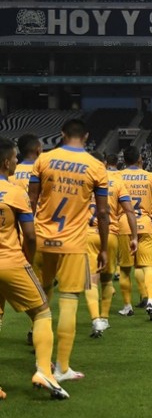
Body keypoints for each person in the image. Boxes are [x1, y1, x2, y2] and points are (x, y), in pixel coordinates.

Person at [28, 118, 109, 383]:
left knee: (42, 305)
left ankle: (42, 362)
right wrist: (104, 249)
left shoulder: (44, 160)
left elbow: (31, 202)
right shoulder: (96, 167)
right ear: (86, 136)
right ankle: (62, 368)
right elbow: (104, 213)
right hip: (73, 244)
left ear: (62, 134)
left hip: (41, 239)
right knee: (69, 301)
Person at [0, 137, 69, 400]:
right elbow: (29, 235)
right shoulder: (15, 192)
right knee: (41, 312)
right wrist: (27, 259)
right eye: (14, 157)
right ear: (7, 162)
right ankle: (43, 371)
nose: (17, 161)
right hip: (10, 262)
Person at [86, 153, 138, 336]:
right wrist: (133, 237)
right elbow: (129, 211)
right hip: (110, 235)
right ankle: (105, 318)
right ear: (105, 163)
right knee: (107, 279)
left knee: (92, 280)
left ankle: (95, 319)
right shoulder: (116, 182)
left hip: (86, 235)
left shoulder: (81, 182)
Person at [119, 146, 152, 322]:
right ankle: (151, 301)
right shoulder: (150, 177)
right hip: (146, 224)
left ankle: (127, 307)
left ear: (125, 160)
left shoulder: (117, 176)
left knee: (126, 268)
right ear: (140, 159)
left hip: (125, 225)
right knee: (148, 265)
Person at [10, 133, 43, 346]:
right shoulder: (43, 171)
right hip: (36, 233)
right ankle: (37, 331)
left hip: (11, 236)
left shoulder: (9, 175)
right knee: (39, 293)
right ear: (38, 149)